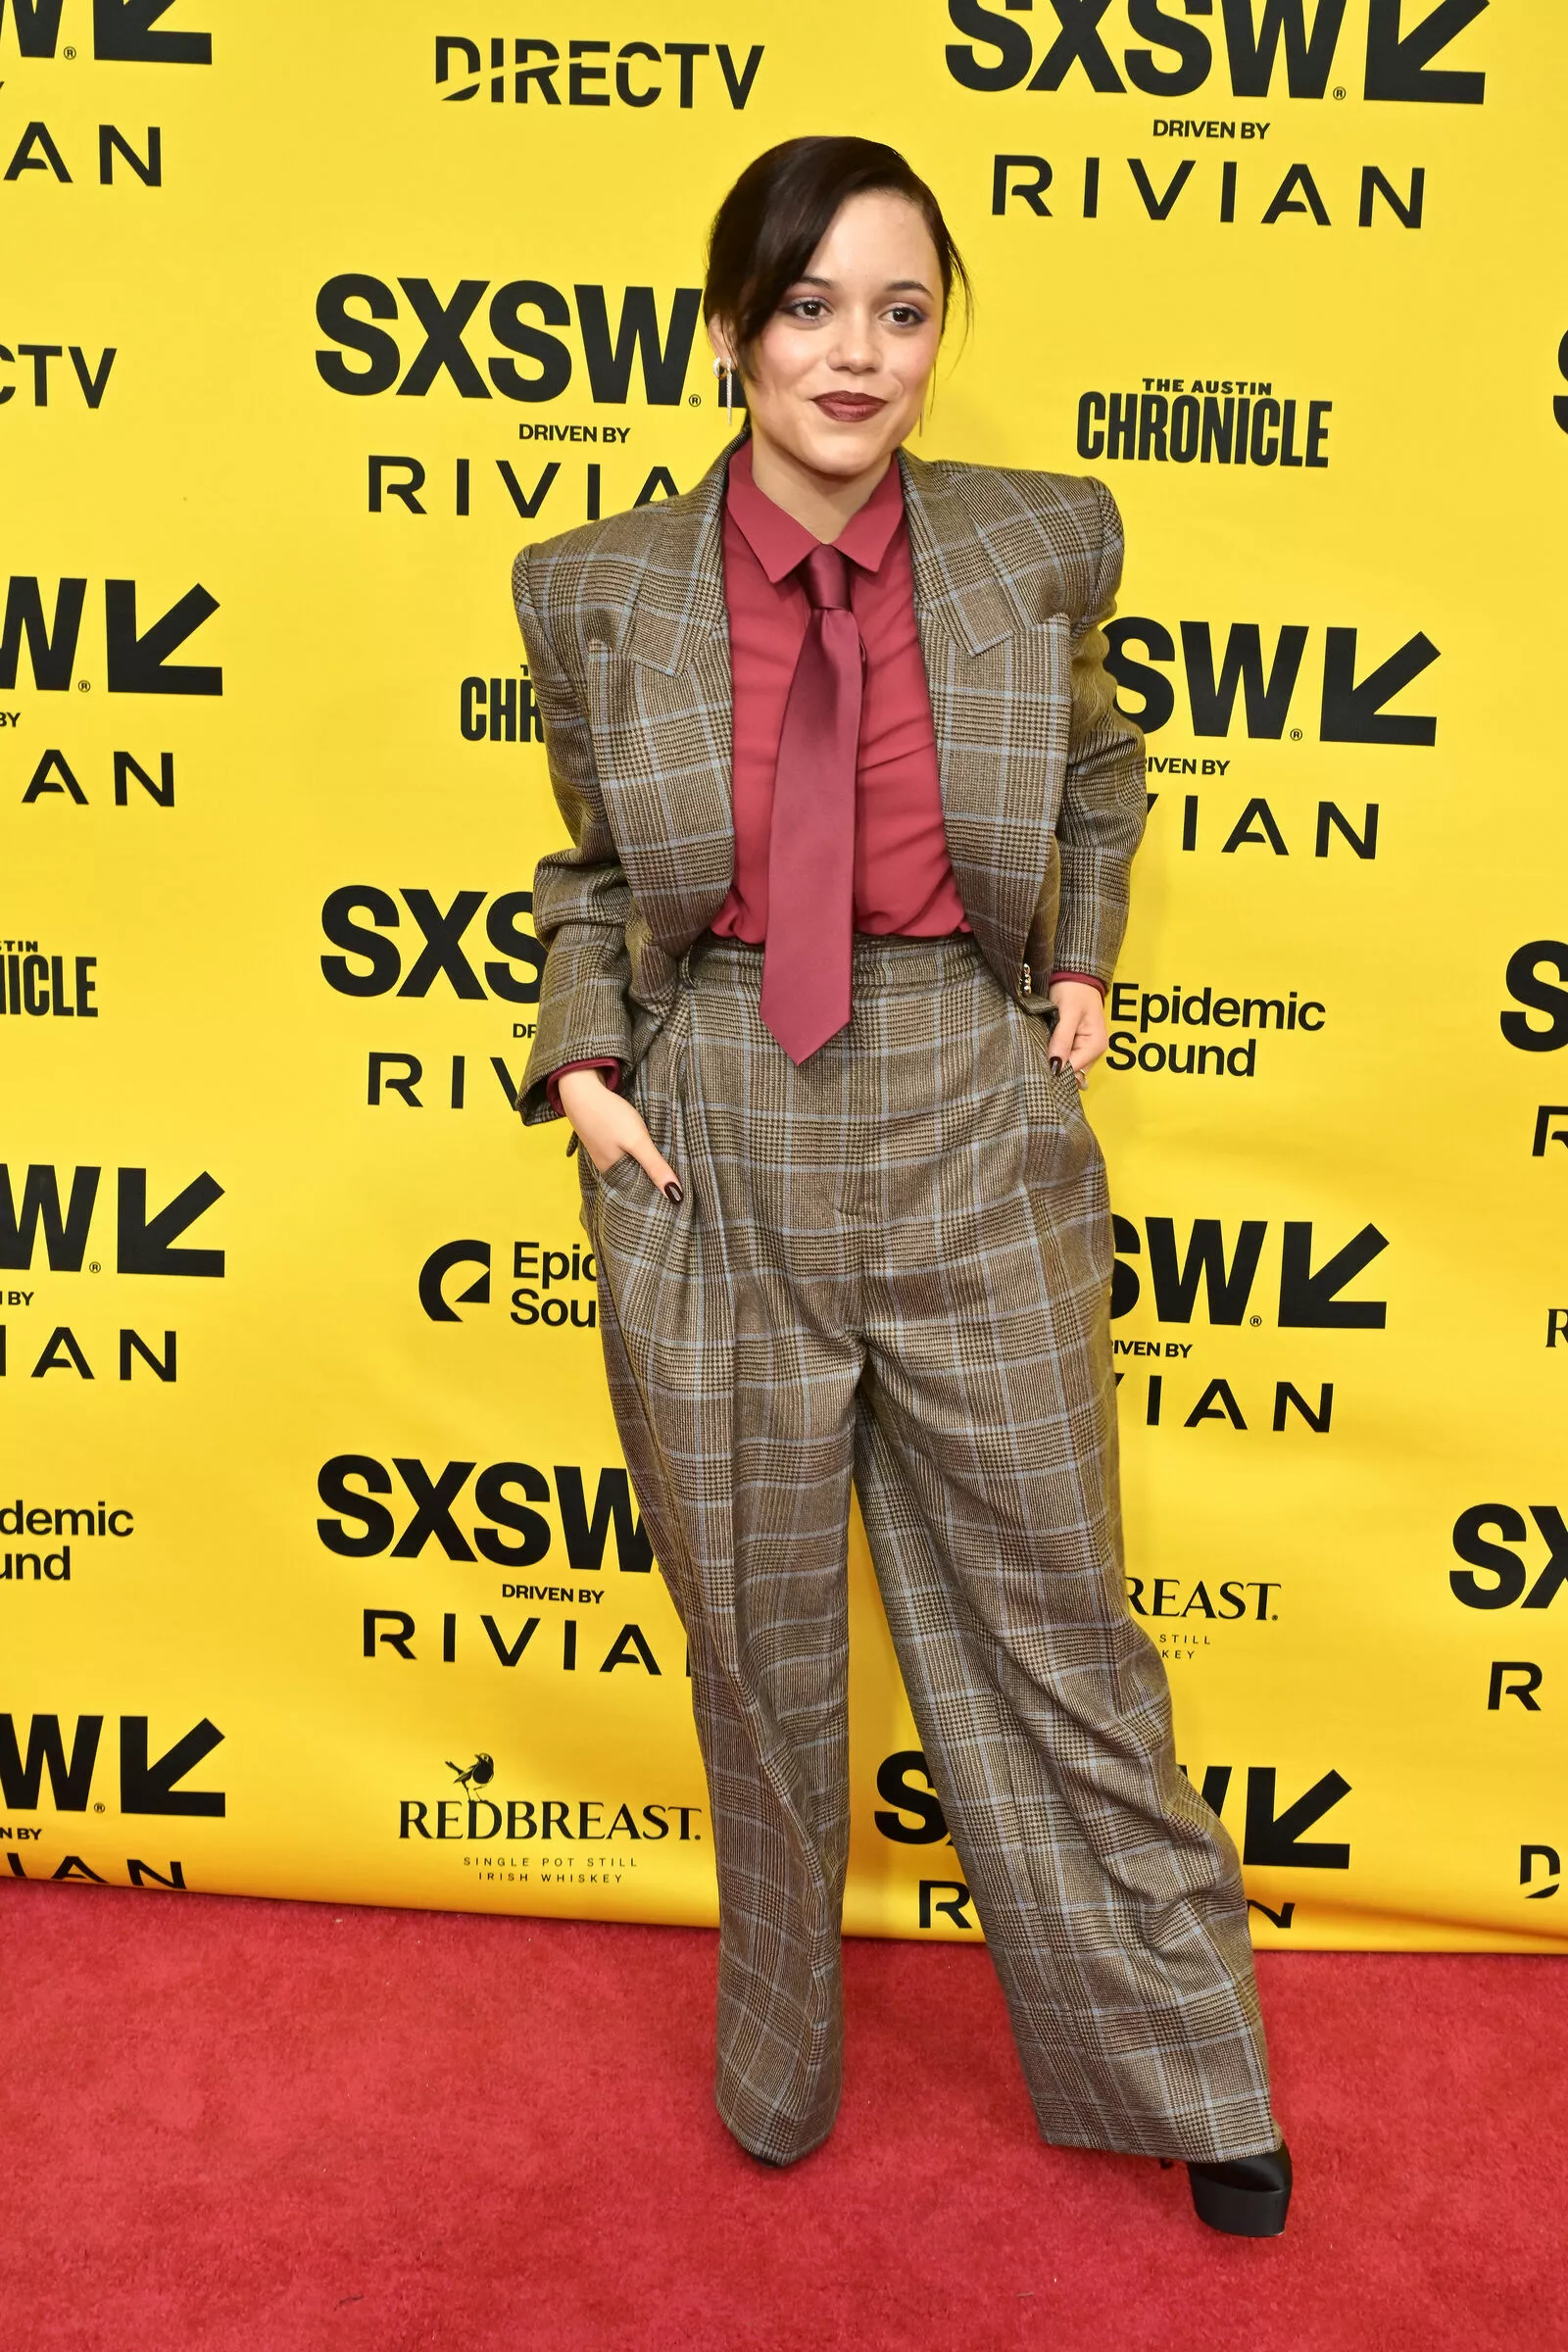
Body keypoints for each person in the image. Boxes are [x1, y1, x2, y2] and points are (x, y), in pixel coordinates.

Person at [511, 134, 1291, 2237]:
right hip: (710, 1121)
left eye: (901, 310)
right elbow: (593, 866)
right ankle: (778, 2061)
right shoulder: (592, 587)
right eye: (808, 308)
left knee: (1054, 1617)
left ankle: (1190, 2070)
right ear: (730, 332)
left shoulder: (1038, 538)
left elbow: (1101, 767)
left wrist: (1083, 953)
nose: (855, 354)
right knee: (757, 1646)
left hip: (960, 1093)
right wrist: (585, 1064)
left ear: (939, 335)